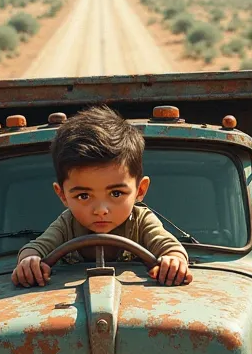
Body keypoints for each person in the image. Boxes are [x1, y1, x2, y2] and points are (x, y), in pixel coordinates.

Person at [12, 106, 193, 287]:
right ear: (62, 195)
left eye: (116, 193)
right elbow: (36, 247)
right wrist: (29, 261)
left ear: (140, 190)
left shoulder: (141, 221)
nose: (100, 210)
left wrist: (174, 260)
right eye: (83, 196)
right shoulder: (67, 224)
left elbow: (168, 245)